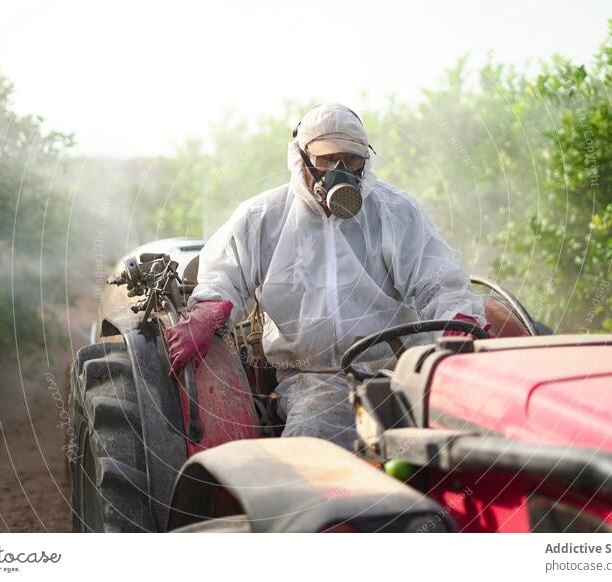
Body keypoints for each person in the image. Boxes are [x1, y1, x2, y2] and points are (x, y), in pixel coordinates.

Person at [167, 103, 489, 450]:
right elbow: (223, 272)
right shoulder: (264, 217)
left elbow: (438, 280)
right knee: (312, 454)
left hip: (397, 370)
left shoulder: (396, 212)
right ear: (299, 158)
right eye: (327, 159)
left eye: (352, 161)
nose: (340, 171)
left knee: (464, 444)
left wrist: (458, 319)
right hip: (313, 379)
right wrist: (207, 311)